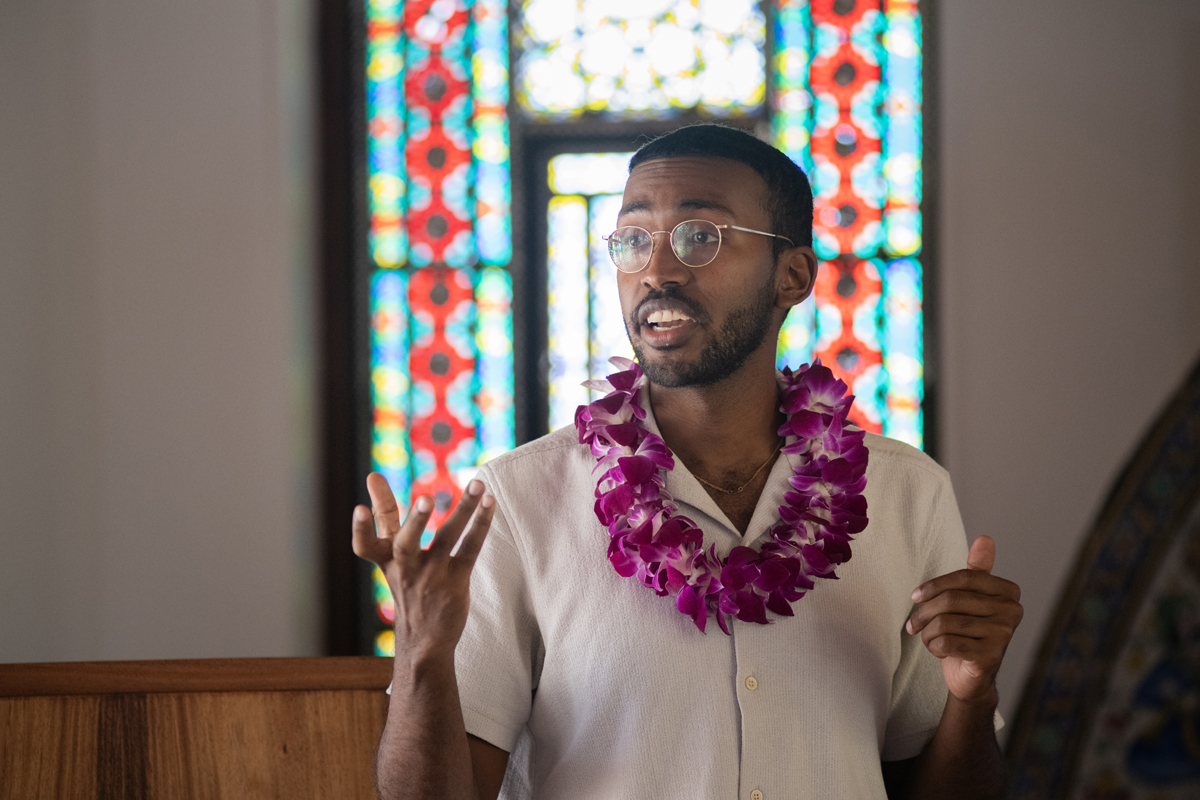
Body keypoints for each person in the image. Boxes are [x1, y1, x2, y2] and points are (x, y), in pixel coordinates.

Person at [352, 124, 1024, 800]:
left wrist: (972, 696)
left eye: (701, 236)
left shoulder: (906, 494)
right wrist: (422, 652)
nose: (658, 271)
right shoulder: (520, 499)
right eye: (633, 239)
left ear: (792, 276)